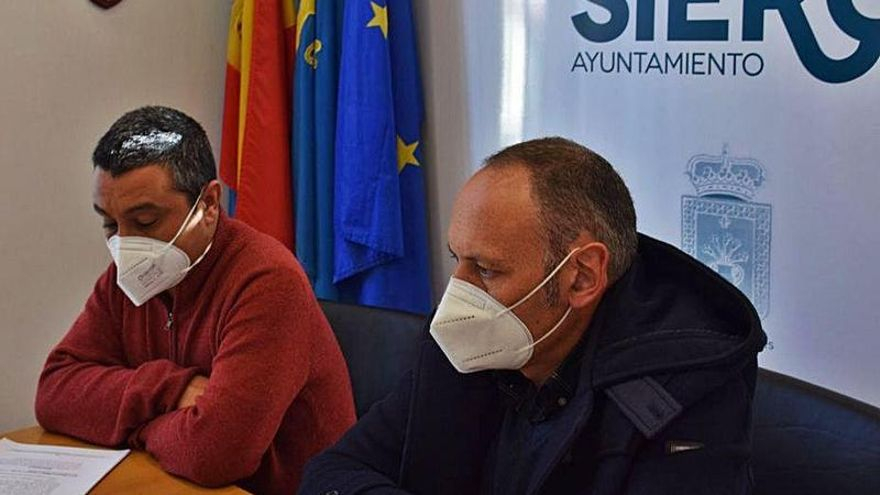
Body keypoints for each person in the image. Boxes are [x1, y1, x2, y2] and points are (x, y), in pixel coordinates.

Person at [299, 137, 767, 494]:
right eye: (456, 260)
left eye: (485, 269)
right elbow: (331, 472)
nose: (456, 295)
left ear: (581, 277)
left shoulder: (684, 391)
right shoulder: (467, 338)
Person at [35, 106, 356, 494]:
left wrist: (126, 421)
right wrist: (170, 391)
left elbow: (215, 454)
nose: (123, 244)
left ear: (208, 204)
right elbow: (54, 393)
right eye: (109, 222)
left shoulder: (267, 281)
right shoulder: (126, 280)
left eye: (146, 221)